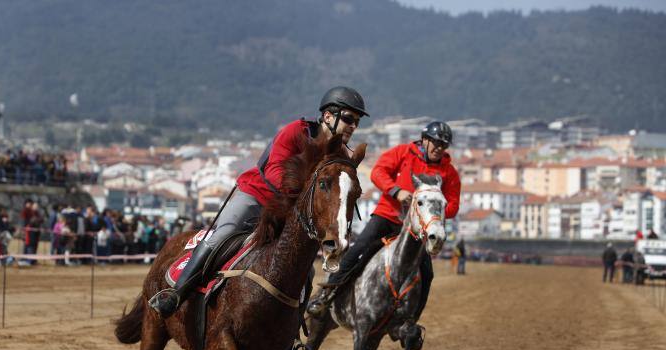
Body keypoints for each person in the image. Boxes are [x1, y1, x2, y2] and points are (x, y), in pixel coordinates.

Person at [148, 86, 369, 318]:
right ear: (327, 116)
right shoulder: (296, 131)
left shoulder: (340, 156)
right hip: (256, 196)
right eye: (348, 119)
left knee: (305, 271)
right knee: (223, 235)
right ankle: (176, 293)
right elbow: (273, 168)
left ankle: (292, 338)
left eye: (356, 122)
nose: (353, 126)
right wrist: (299, 194)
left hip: (291, 213)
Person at [307, 121, 461, 320]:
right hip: (386, 216)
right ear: (425, 140)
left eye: (444, 145)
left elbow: (453, 206)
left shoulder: (450, 173)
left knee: (427, 273)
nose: (439, 148)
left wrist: (429, 214)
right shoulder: (402, 152)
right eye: (436, 142)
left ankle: (411, 323)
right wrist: (396, 191)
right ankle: (325, 295)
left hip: (414, 230)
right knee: (357, 251)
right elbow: (378, 172)